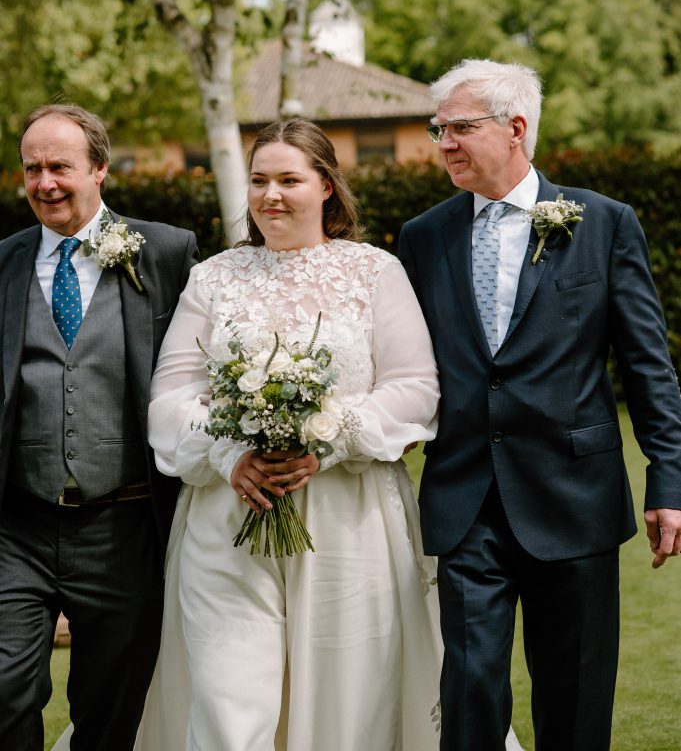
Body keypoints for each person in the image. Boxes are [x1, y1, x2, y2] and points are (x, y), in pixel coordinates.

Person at [397, 58, 681, 751]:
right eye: (438, 129)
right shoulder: (421, 237)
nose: (442, 144)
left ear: (515, 127)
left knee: (575, 696)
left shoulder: (604, 224)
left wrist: (667, 481)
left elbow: (647, 366)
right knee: (466, 690)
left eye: (459, 128)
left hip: (573, 495)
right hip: (464, 500)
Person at [134, 118, 443, 751]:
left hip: (348, 518)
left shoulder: (374, 271)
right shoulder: (214, 277)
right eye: (259, 180)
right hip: (227, 514)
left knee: (345, 704)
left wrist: (326, 441)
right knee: (228, 698)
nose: (271, 195)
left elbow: (416, 385)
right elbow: (169, 396)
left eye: (289, 180)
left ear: (327, 186)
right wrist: (229, 454)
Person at [0, 104, 198, 751]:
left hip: (125, 526)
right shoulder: (2, 264)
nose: (44, 183)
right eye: (32, 169)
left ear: (100, 170)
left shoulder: (166, 252)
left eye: (60, 166)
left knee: (109, 707)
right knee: (4, 689)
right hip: (18, 525)